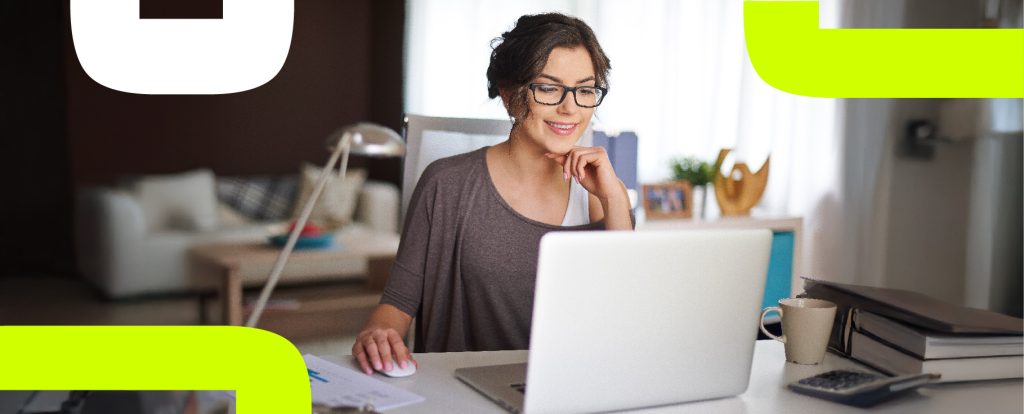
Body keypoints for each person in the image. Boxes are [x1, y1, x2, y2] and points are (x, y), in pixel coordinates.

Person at [352, 12, 633, 376]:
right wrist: (379, 333)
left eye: (585, 89)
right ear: (509, 94)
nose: (571, 107)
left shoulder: (606, 194)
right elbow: (397, 304)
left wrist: (613, 201)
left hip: (575, 390)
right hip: (464, 393)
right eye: (548, 88)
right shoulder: (446, 184)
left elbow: (626, 319)